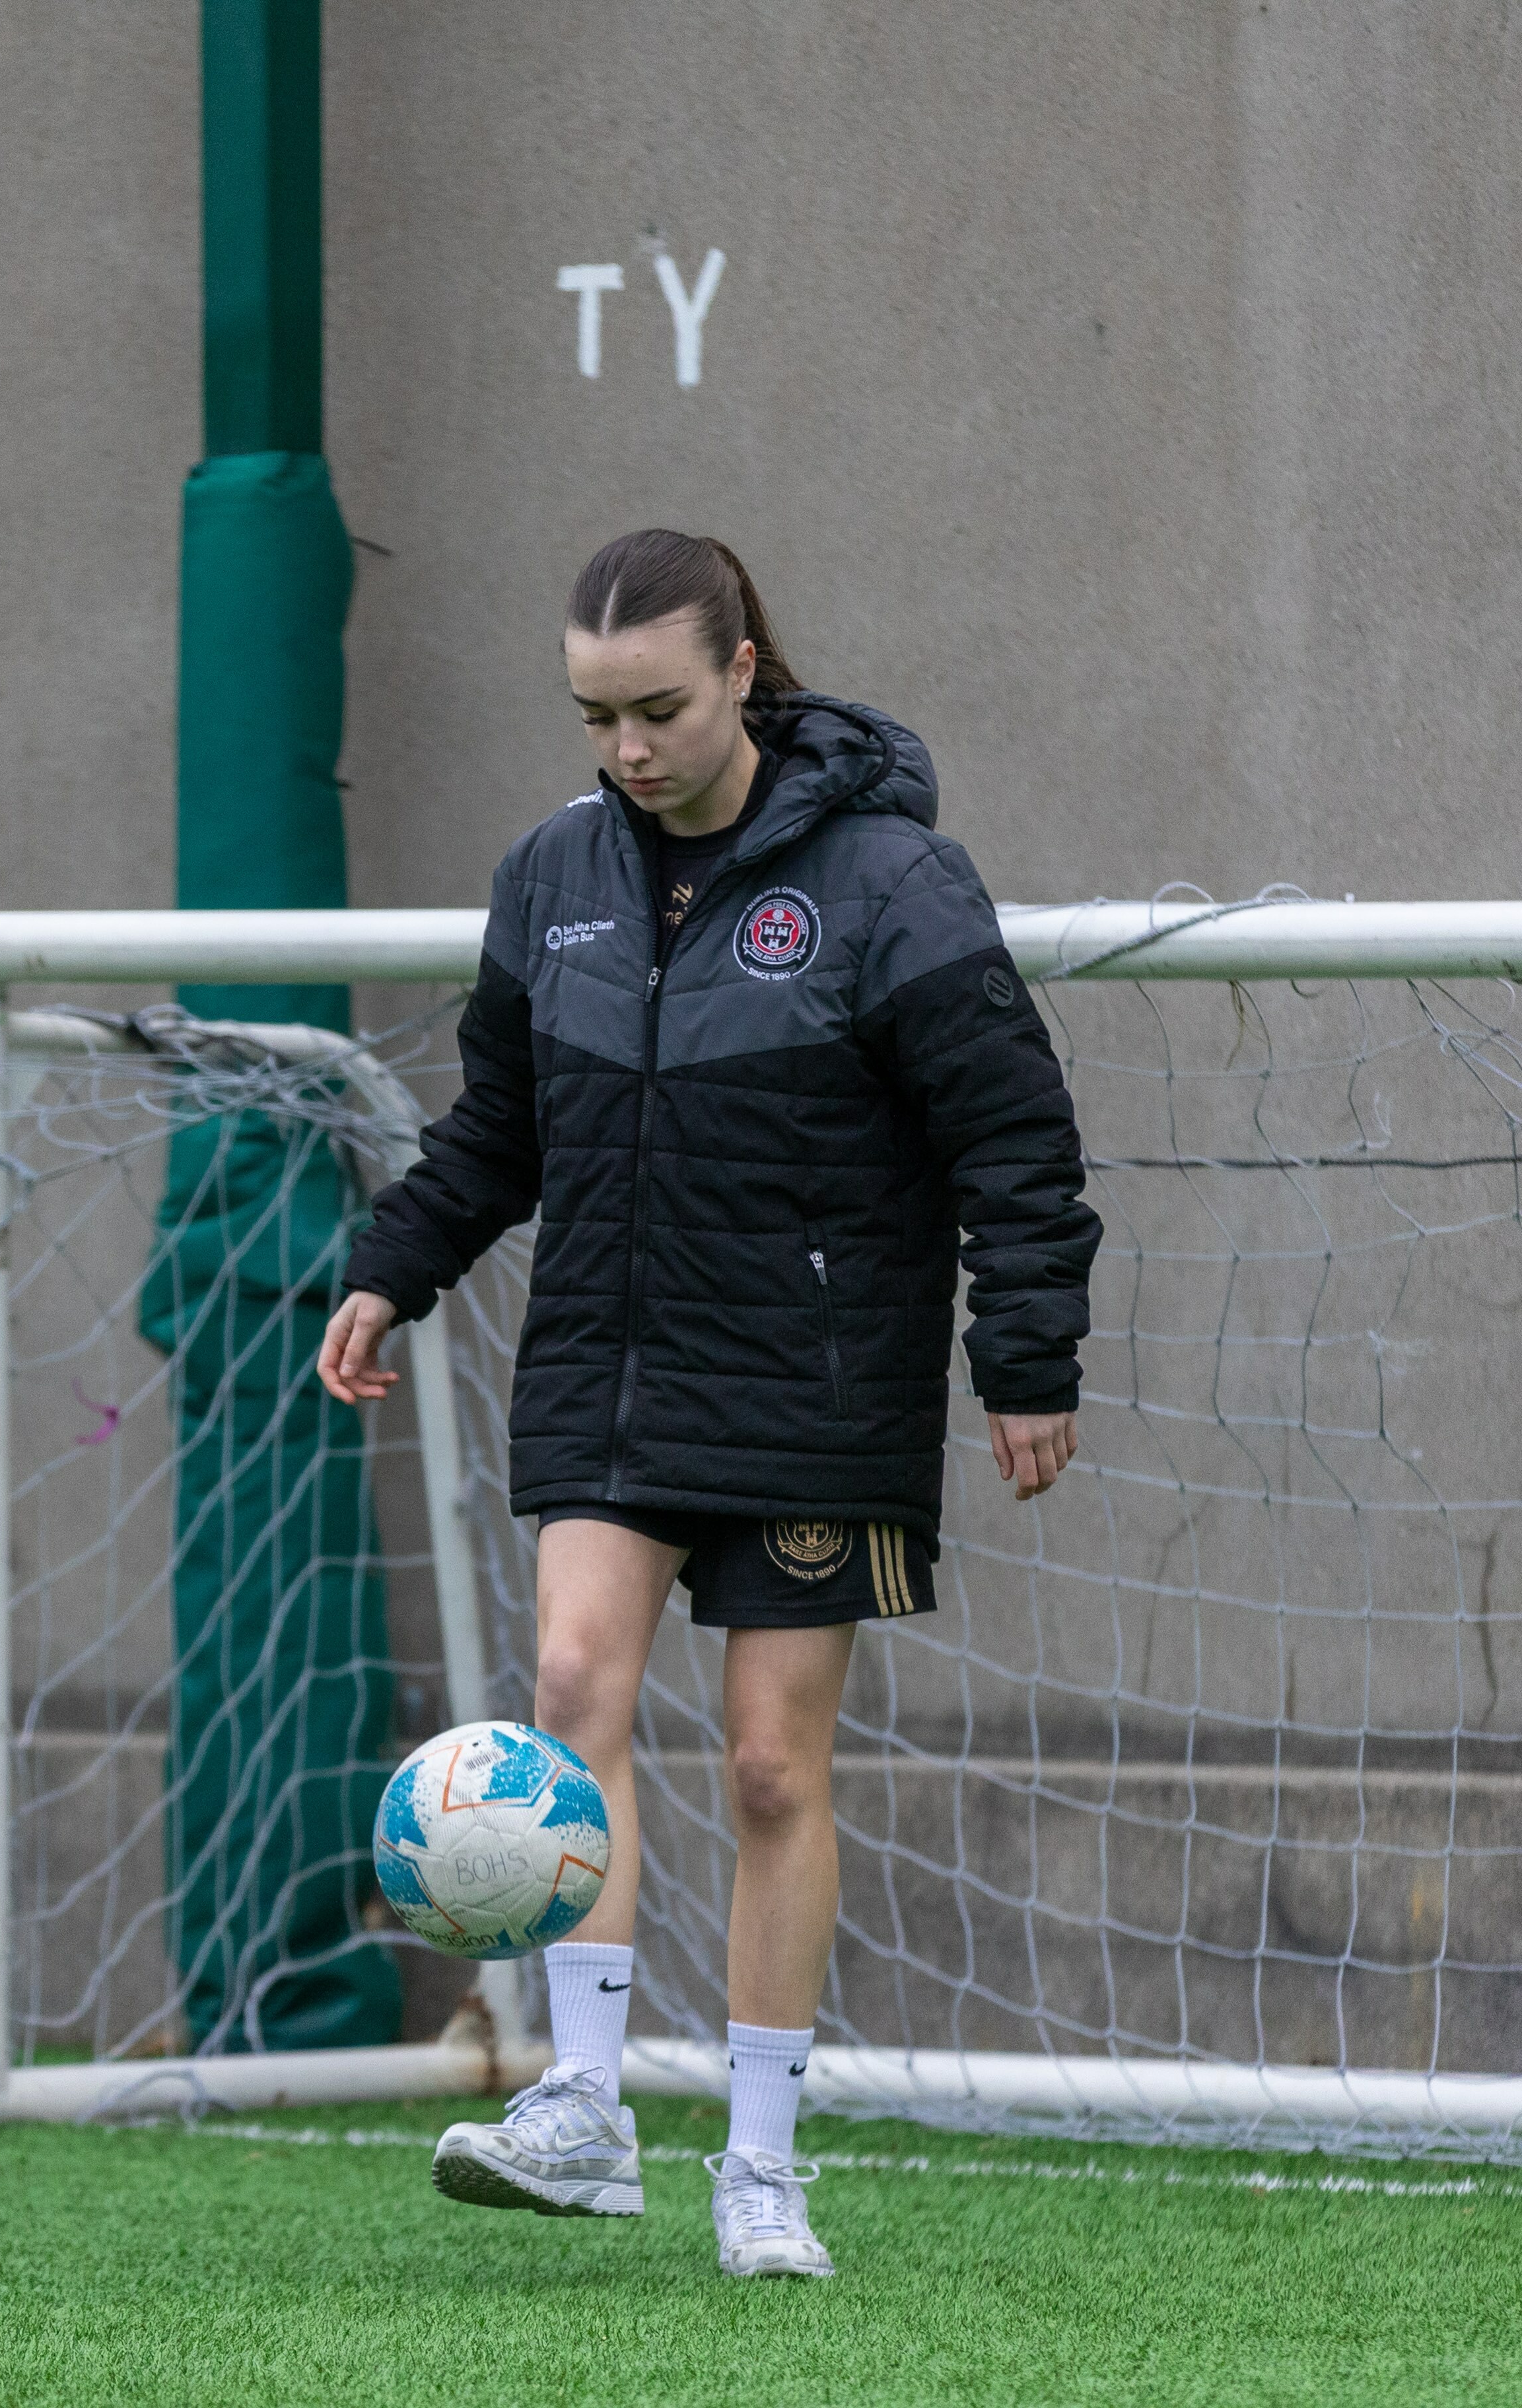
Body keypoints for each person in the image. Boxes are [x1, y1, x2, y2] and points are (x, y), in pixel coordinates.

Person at [317, 529, 1098, 2279]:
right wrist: (394, 1261)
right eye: (594, 717)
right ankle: (585, 2111)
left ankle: (761, 2167)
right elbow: (496, 1136)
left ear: (745, 669)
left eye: (657, 709)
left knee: (765, 1771)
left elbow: (1013, 1138)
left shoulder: (895, 882)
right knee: (573, 1690)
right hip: (609, 1362)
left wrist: (1026, 1359)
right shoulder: (550, 880)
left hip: (819, 1387)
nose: (625, 751)